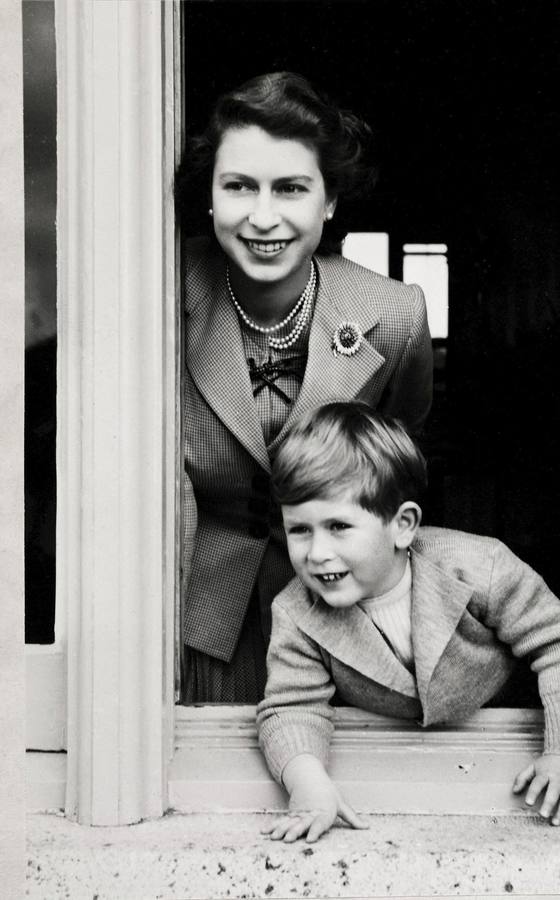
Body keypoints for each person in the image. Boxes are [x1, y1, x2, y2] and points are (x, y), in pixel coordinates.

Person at [174, 73, 433, 703]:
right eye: (239, 187)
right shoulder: (166, 292)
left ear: (330, 201)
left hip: (344, 613)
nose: (265, 217)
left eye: (291, 188)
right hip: (202, 616)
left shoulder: (395, 315)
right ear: (210, 197)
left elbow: (396, 466)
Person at [257, 401, 560, 842]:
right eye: (300, 530)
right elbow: (291, 707)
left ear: (403, 525)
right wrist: (309, 784)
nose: (317, 552)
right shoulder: (296, 611)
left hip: (504, 746)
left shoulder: (480, 566)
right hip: (401, 765)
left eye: (338, 526)